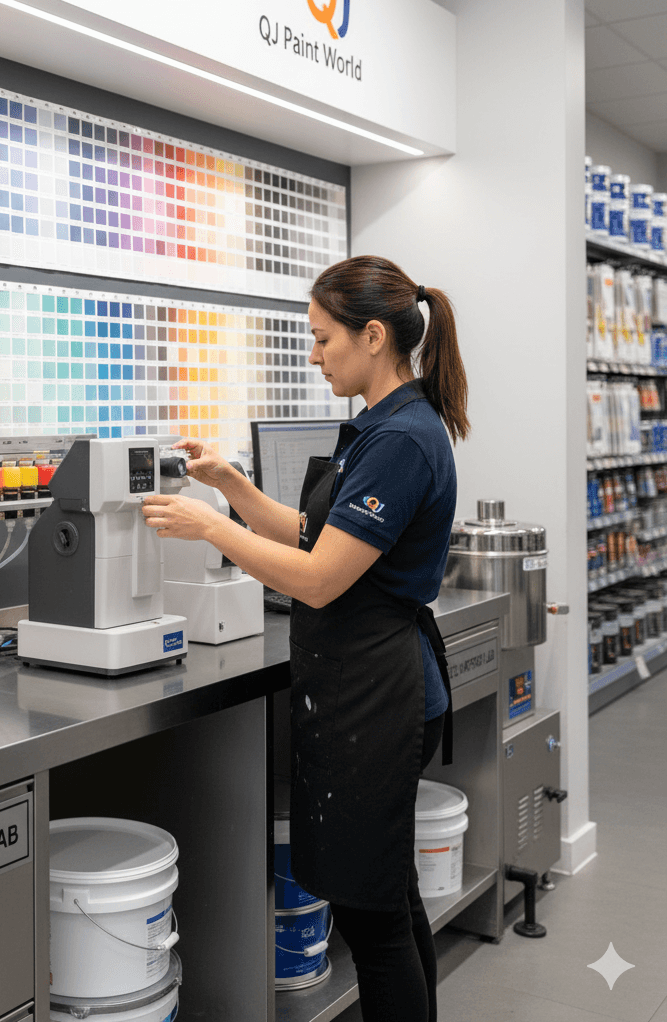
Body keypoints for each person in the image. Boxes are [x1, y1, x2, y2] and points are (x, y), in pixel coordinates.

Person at [141, 255, 470, 1022]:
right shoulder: (378, 426)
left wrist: (212, 528)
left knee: (373, 916)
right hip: (362, 691)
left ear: (375, 336)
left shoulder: (403, 441)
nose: (313, 354)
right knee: (386, 897)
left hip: (379, 699)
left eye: (323, 339)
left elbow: (319, 577)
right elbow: (316, 534)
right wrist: (230, 485)